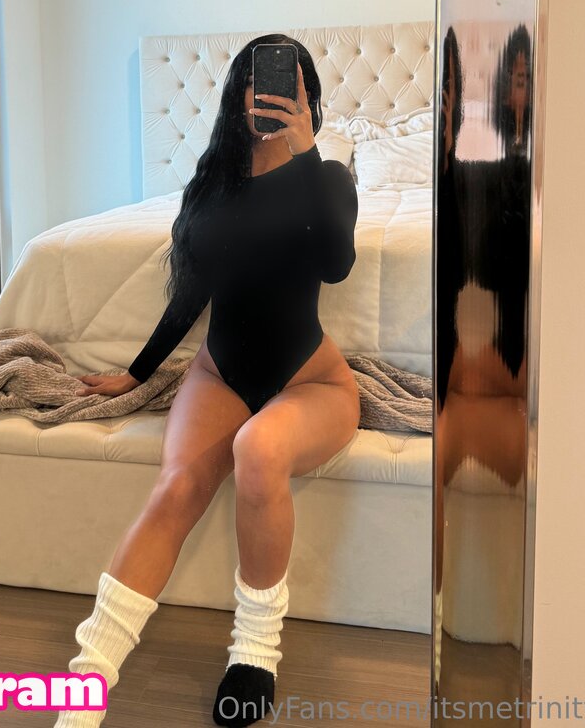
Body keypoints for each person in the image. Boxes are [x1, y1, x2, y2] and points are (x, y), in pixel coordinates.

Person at [52, 35, 360, 728]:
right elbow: (190, 293)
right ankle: (84, 690)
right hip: (219, 375)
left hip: (311, 383)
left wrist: (307, 153)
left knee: (259, 449)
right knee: (176, 488)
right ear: (236, 94)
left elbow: (335, 264)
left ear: (307, 96)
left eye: (284, 83)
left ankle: (255, 655)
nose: (266, 93)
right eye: (254, 80)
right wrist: (136, 373)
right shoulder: (212, 182)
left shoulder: (329, 179)